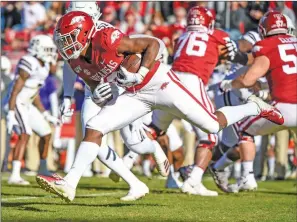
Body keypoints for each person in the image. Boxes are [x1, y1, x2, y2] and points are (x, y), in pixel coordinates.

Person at [36, 10, 283, 203]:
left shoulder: (107, 39)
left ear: (85, 33)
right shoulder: (75, 61)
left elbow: (152, 45)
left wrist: (139, 72)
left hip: (158, 82)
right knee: (94, 125)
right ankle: (69, 183)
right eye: (62, 40)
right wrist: (102, 93)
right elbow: (95, 86)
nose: (65, 45)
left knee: (210, 123)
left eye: (68, 39)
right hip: (132, 94)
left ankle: (254, 107)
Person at [219, 11, 297, 192]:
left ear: (263, 29)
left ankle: (247, 177)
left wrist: (230, 84)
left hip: (284, 107)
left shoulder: (266, 45)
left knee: (245, 129)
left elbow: (247, 80)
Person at [5, 34, 60, 185]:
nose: (51, 53)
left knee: (46, 133)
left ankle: (42, 168)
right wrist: (10, 112)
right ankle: (14, 175)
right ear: (38, 48)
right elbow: (16, 89)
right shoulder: (28, 61)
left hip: (27, 104)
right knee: (25, 134)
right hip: (15, 102)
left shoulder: (45, 65)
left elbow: (33, 92)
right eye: (47, 49)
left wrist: (44, 113)